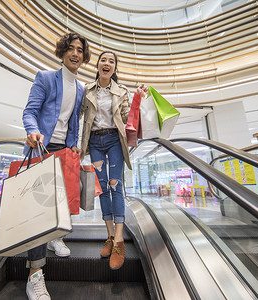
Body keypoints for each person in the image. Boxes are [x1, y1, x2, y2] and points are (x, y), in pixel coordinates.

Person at [22, 32, 90, 300]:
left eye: (80, 50)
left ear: (84, 57)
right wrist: (32, 130)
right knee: (39, 212)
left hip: (64, 152)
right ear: (62, 52)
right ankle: (35, 275)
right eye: (71, 49)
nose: (75, 53)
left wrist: (74, 144)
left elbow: (74, 122)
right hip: (41, 148)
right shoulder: (46, 78)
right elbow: (30, 111)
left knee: (61, 204)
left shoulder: (81, 88)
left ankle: (54, 237)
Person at [80, 51, 147, 270]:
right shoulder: (87, 90)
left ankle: (119, 240)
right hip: (95, 143)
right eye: (103, 60)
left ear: (115, 68)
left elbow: (128, 117)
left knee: (115, 186)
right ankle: (109, 236)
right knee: (102, 189)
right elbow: (78, 115)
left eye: (111, 61)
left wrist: (137, 98)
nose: (107, 63)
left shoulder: (121, 91)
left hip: (114, 141)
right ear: (98, 65)